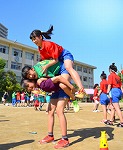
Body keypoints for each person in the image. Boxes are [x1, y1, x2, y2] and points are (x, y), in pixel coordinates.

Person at [29, 25, 85, 98]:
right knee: (62, 85)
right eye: (32, 40)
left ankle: (81, 89)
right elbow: (47, 61)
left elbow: (55, 60)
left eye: (35, 38)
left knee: (68, 67)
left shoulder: (48, 45)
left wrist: (46, 66)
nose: (34, 41)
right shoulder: (40, 49)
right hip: (59, 64)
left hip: (64, 55)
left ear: (40, 37)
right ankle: (73, 98)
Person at [106, 63, 123, 127]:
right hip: (118, 91)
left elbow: (109, 85)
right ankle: (111, 121)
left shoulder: (111, 76)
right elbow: (121, 86)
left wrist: (107, 93)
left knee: (117, 107)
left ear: (110, 70)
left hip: (114, 91)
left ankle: (122, 122)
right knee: (112, 107)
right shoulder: (118, 76)